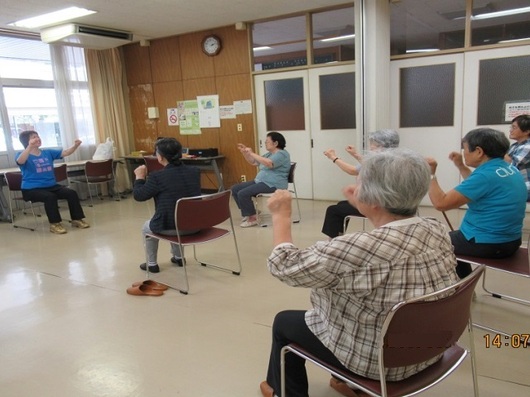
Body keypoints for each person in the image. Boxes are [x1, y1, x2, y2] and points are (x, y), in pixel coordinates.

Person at [260, 149, 459, 397]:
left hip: (378, 364)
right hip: (428, 350)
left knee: (284, 322)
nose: (355, 186)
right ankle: (350, 383)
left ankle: (284, 392)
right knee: (356, 304)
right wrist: (366, 205)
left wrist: (281, 215)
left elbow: (283, 265)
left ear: (375, 198)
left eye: (360, 182)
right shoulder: (436, 228)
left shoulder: (354, 249)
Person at [427, 128, 526, 279]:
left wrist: (430, 173)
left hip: (489, 244)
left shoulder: (486, 176)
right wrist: (460, 165)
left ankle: (461, 287)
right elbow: (478, 187)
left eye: (465, 149)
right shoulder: (508, 168)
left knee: (433, 240)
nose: (464, 153)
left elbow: (441, 203)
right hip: (511, 240)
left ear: (479, 152)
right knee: (452, 238)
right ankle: (464, 282)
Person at [133, 137, 201, 273]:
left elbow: (139, 196)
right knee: (177, 215)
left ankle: (151, 264)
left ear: (161, 157)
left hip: (171, 227)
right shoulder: (194, 171)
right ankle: (179, 257)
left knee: (148, 226)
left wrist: (139, 178)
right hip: (195, 225)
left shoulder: (157, 177)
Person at [321, 129, 399, 238]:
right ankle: (338, 236)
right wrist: (355, 154)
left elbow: (353, 170)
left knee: (333, 210)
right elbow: (367, 164)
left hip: (380, 204)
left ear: (382, 145)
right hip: (388, 201)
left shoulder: (381, 161)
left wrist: (333, 157)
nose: (371, 147)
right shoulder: (396, 158)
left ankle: (334, 241)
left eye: (373, 144)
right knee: (341, 205)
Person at [15, 130, 90, 234]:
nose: (37, 138)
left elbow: (66, 152)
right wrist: (29, 147)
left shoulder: (47, 152)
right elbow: (20, 161)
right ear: (26, 142)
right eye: (33, 137)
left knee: (71, 193)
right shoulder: (21, 154)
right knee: (50, 197)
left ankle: (77, 219)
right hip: (31, 189)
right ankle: (55, 224)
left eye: (38, 136)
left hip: (51, 186)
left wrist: (75, 145)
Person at [231, 131, 290, 228]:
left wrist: (252, 153)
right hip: (261, 181)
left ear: (275, 143)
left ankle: (253, 218)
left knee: (243, 193)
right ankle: (250, 211)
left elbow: (268, 164)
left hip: (273, 183)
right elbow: (254, 162)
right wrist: (246, 153)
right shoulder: (269, 154)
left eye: (267, 141)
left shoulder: (282, 154)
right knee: (235, 189)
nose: (265, 143)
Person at [505, 114, 530, 201]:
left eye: (514, 128)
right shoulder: (514, 146)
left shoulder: (528, 146)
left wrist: (496, 147)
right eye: (511, 127)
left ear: (527, 131)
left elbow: (511, 165)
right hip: (516, 186)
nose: (511, 130)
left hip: (526, 188)